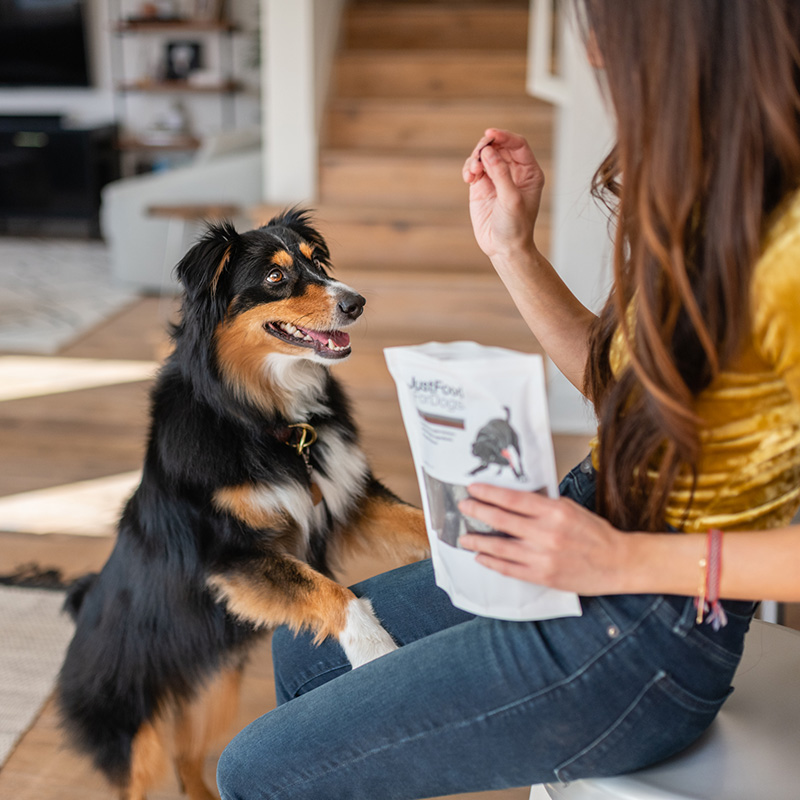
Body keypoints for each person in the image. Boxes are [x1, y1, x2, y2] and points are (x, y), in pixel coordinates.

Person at [216, 1, 800, 797]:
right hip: (586, 528)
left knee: (254, 772)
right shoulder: (712, 187)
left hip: (647, 628)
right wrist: (511, 248)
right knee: (310, 647)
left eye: (616, 26)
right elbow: (629, 396)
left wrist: (624, 557)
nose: (597, 49)